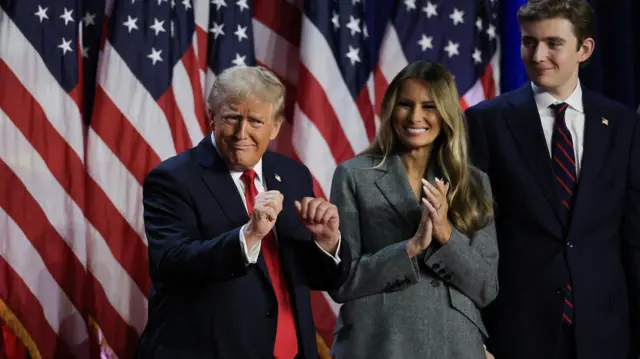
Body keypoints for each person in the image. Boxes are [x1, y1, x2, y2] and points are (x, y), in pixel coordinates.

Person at [135, 65, 351, 359]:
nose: (241, 133)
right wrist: (249, 236)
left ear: (274, 127)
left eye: (255, 121)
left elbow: (318, 278)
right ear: (212, 117)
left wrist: (326, 242)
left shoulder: (292, 175)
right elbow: (172, 265)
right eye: (232, 117)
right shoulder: (172, 179)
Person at [464, 0, 640, 358]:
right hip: (518, 332)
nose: (538, 54)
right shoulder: (487, 121)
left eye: (553, 43)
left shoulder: (621, 124)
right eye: (529, 42)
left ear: (584, 49)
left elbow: (633, 236)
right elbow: (473, 236)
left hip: (605, 332)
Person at [328, 60, 499, 359]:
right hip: (379, 343)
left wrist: (446, 235)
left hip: (455, 345)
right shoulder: (354, 176)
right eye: (405, 104)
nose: (415, 117)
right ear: (391, 109)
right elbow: (343, 282)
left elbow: (486, 287)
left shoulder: (473, 183)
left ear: (445, 114)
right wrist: (408, 249)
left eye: (429, 106)